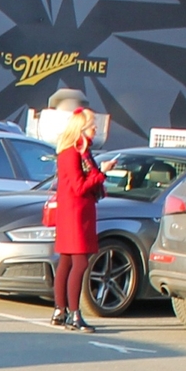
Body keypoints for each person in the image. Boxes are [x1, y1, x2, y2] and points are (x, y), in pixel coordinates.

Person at [47, 88, 106, 331]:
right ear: (81, 128)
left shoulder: (83, 151)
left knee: (68, 261)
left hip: (79, 213)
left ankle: (60, 310)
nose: (95, 130)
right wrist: (100, 175)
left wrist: (98, 171)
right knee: (78, 263)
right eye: (92, 126)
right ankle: (73, 313)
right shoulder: (71, 152)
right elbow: (78, 185)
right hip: (74, 214)